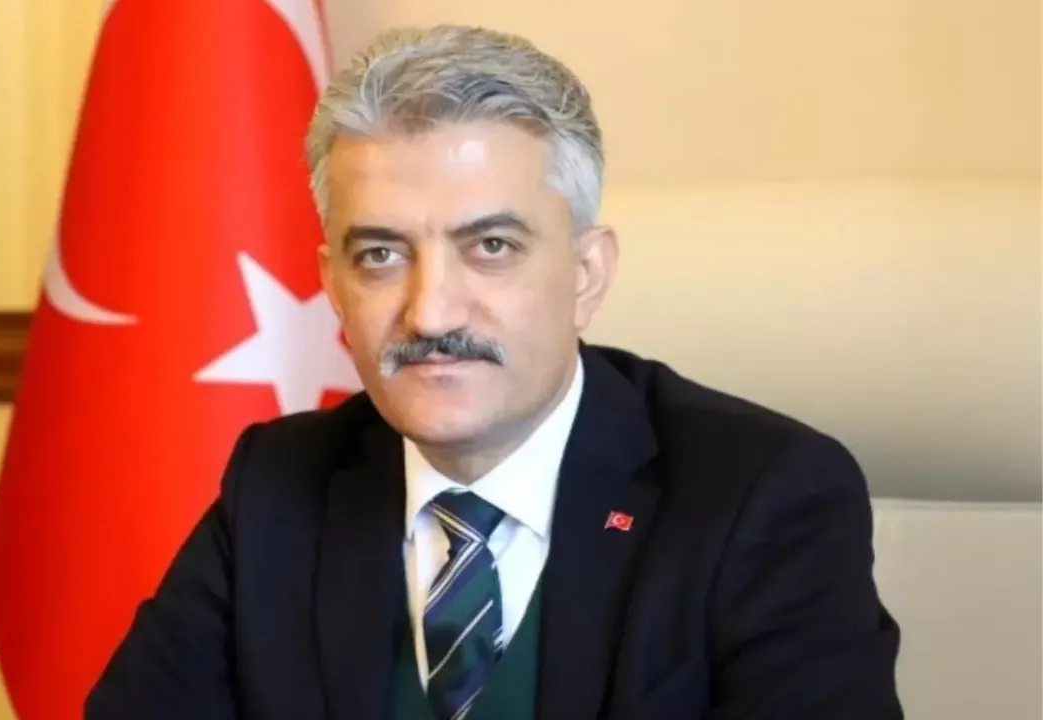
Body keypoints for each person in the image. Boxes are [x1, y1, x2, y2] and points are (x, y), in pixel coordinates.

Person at [85, 24, 903, 719]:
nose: (431, 313)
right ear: (333, 285)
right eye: (381, 255)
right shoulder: (278, 486)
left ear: (586, 276)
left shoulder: (763, 497)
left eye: (491, 247)